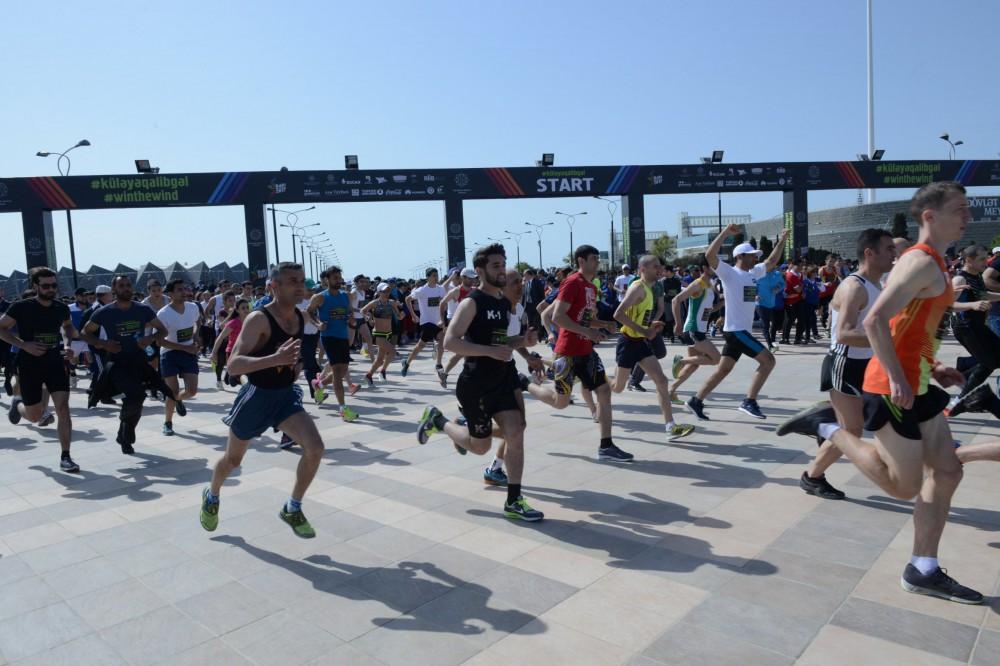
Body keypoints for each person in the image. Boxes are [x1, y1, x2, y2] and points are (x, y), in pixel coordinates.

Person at [778, 181, 985, 604]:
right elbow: (873, 322)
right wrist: (895, 376)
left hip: (919, 382)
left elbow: (913, 326)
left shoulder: (936, 263)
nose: (968, 216)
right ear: (930, 216)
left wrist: (936, 365)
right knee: (903, 486)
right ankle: (828, 427)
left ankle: (922, 567)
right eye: (960, 209)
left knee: (947, 472)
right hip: (892, 387)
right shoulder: (920, 262)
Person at [416, 244, 543, 521]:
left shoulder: (502, 303)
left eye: (503, 264)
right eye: (496, 266)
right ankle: (439, 422)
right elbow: (451, 342)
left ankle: (514, 500)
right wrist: (488, 351)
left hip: (502, 380)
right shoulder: (471, 302)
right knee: (480, 446)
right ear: (482, 270)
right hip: (475, 385)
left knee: (516, 431)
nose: (502, 270)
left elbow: (501, 342)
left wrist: (524, 342)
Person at [201, 262, 325, 538]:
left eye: (302, 280)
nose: (300, 286)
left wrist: (296, 366)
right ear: (273, 286)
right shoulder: (257, 319)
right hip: (256, 398)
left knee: (315, 448)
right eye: (293, 281)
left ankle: (293, 507)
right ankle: (212, 495)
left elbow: (296, 353)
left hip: (284, 397)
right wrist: (275, 359)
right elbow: (233, 366)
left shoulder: (300, 316)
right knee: (232, 461)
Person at [799, 229, 895, 500]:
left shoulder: (878, 285)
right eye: (888, 249)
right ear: (869, 253)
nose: (893, 254)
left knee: (870, 420)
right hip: (844, 363)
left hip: (866, 364)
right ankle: (812, 476)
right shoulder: (855, 286)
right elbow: (844, 334)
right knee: (852, 430)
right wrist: (887, 340)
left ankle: (824, 421)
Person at [524, 245, 634, 462]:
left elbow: (582, 318)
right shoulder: (572, 282)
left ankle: (606, 445)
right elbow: (557, 317)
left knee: (604, 391)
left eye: (597, 258)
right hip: (568, 353)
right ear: (581, 261)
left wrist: (603, 324)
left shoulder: (590, 287)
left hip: (586, 351)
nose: (597, 262)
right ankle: (524, 384)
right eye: (593, 259)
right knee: (560, 403)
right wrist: (587, 331)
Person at [686, 225, 789, 420]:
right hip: (736, 331)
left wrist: (782, 240)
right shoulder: (729, 273)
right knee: (768, 360)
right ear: (740, 256)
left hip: (738, 331)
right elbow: (710, 255)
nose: (755, 258)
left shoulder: (753, 273)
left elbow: (772, 261)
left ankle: (696, 401)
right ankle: (749, 401)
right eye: (751, 255)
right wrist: (725, 233)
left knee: (724, 369)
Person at [79, 274, 178, 454]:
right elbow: (85, 333)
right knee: (135, 394)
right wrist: (104, 343)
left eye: (128, 285)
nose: (126, 288)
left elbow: (163, 329)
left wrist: (150, 338)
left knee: (137, 399)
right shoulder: (104, 312)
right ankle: (126, 431)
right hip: (117, 363)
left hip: (138, 361)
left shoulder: (142, 310)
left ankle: (125, 430)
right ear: (114, 290)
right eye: (121, 286)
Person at [0, 267, 80, 472]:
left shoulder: (61, 307)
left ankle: (66, 456)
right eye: (46, 286)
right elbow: (1, 328)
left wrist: (69, 344)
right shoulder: (21, 307)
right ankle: (18, 405)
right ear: (35, 286)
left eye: (54, 285)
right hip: (30, 364)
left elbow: (68, 327)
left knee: (63, 408)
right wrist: (23, 345)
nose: (51, 289)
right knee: (35, 416)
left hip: (54, 361)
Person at [611, 255, 695, 441]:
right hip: (627, 342)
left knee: (662, 381)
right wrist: (644, 330)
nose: (660, 269)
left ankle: (671, 427)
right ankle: (596, 380)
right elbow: (618, 314)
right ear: (642, 269)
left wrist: (650, 326)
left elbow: (639, 315)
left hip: (640, 342)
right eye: (655, 266)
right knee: (617, 387)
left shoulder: (649, 288)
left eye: (660, 266)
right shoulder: (637, 288)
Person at [308, 266, 360, 421]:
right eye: (335, 278)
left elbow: (350, 312)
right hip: (329, 337)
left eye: (339, 278)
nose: (338, 281)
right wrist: (318, 324)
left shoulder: (346, 296)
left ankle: (319, 384)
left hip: (343, 336)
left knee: (343, 371)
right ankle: (343, 409)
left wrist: (351, 320)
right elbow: (309, 312)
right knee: (338, 372)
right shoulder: (320, 297)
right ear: (327, 280)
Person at [669, 258, 722, 404]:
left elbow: (709, 310)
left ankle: (671, 391)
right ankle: (681, 360)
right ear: (704, 268)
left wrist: (724, 302)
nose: (717, 268)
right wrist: (678, 323)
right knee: (717, 359)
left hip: (700, 329)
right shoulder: (697, 284)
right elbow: (676, 300)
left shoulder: (710, 285)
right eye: (713, 265)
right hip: (693, 329)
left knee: (693, 366)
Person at [157, 279, 202, 436]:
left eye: (185, 289)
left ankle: (178, 400)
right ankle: (168, 423)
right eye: (179, 290)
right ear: (170, 294)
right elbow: (160, 341)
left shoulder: (193, 307)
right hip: (169, 354)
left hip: (188, 352)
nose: (184, 292)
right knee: (172, 390)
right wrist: (185, 347)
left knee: (192, 391)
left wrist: (196, 337)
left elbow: (197, 323)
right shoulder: (163, 314)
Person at [402, 268, 447, 380]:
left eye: (436, 275)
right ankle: (438, 363)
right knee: (435, 340)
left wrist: (443, 318)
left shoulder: (441, 289)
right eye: (433, 276)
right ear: (427, 277)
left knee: (422, 345)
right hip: (426, 321)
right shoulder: (422, 290)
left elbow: (444, 303)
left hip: (437, 321)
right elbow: (407, 299)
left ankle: (407, 362)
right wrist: (413, 315)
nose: (436, 278)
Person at [361, 283, 405, 385]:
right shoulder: (375, 303)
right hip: (378, 333)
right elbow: (363, 311)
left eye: (388, 291)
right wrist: (369, 319)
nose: (386, 293)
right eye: (384, 291)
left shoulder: (392, 303)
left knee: (379, 360)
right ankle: (382, 371)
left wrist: (401, 316)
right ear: (379, 292)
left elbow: (398, 315)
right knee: (393, 352)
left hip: (388, 333)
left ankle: (368, 376)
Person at [755, 263, 785, 352]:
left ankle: (772, 341)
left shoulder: (777, 274)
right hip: (760, 303)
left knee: (775, 323)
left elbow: (782, 284)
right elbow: (750, 285)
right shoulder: (758, 275)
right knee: (766, 325)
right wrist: (755, 295)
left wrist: (778, 288)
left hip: (772, 303)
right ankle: (770, 345)